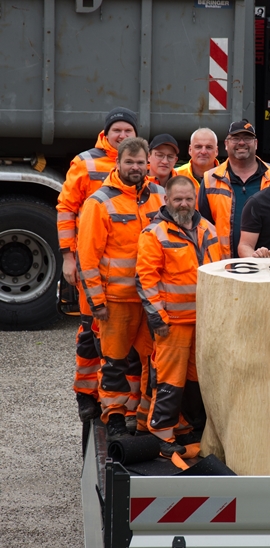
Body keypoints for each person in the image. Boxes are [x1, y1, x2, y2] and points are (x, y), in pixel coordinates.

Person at [76, 137, 164, 437]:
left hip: (151, 300)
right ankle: (113, 417)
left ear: (148, 163)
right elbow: (87, 257)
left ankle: (138, 415)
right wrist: (97, 302)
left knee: (150, 361)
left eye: (141, 162)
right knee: (114, 362)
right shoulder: (99, 202)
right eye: (130, 162)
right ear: (118, 163)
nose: (136, 167)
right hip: (117, 301)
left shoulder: (159, 196)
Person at [56, 106, 138, 423]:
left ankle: (121, 404)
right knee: (91, 335)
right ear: (106, 133)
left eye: (127, 130)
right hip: (91, 269)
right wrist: (67, 256)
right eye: (116, 129)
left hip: (125, 277)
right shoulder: (86, 162)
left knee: (125, 345)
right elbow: (66, 208)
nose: (121, 135)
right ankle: (86, 395)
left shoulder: (138, 166)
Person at [136, 176, 220, 456]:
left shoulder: (208, 228)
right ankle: (162, 433)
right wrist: (158, 318)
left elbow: (219, 271)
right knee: (169, 381)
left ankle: (187, 426)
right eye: (178, 199)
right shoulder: (155, 233)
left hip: (204, 322)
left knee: (199, 379)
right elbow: (146, 280)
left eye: (188, 199)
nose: (184, 204)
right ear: (167, 200)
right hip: (172, 324)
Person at [198, 121, 270, 258]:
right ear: (226, 144)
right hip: (224, 266)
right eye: (235, 138)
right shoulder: (210, 179)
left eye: (247, 138)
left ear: (256, 144)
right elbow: (202, 227)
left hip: (268, 263)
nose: (241, 143)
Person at [178, 128, 220, 192]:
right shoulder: (176, 175)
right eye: (198, 147)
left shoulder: (227, 177)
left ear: (216, 151)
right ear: (190, 150)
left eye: (208, 147)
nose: (203, 152)